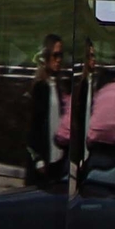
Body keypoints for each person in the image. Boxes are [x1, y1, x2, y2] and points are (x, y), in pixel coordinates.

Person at [25, 36, 69, 186]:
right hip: (44, 161)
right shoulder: (40, 88)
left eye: (61, 55)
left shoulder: (57, 85)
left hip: (58, 158)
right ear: (46, 57)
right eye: (55, 55)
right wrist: (37, 159)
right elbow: (34, 127)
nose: (59, 59)